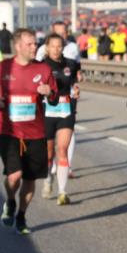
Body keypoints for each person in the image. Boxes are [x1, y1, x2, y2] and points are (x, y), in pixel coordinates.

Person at [0, 28, 59, 234]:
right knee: (14, 176)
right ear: (18, 46)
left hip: (35, 133)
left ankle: (21, 216)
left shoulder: (43, 70)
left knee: (29, 179)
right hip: (8, 131)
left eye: (35, 43)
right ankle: (10, 201)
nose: (34, 47)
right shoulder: (3, 68)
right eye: (30, 44)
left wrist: (49, 92)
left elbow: (54, 98)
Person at [39, 33, 81, 205]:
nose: (56, 49)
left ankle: (62, 192)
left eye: (59, 46)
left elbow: (73, 83)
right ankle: (48, 179)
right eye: (52, 46)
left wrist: (76, 89)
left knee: (62, 150)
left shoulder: (69, 64)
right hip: (47, 112)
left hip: (65, 110)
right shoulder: (40, 66)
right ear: (47, 48)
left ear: (63, 47)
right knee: (48, 154)